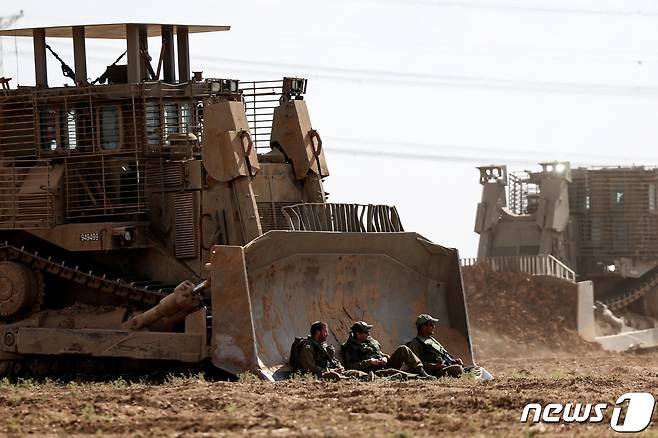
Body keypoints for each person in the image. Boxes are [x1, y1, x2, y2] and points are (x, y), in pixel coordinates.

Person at [341, 321, 436, 380]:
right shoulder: (349, 347)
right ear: (358, 334)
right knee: (394, 373)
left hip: (384, 364)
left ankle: (421, 372)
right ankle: (418, 377)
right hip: (374, 371)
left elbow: (377, 352)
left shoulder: (369, 341)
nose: (368, 334)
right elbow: (351, 367)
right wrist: (370, 362)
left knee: (403, 349)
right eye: (365, 332)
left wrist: (385, 357)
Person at [295, 321, 373, 381]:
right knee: (333, 376)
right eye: (325, 331)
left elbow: (333, 360)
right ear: (318, 332)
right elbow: (310, 367)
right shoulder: (308, 346)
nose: (327, 334)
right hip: (319, 374)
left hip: (330, 370)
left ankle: (366, 377)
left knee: (352, 372)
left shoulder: (323, 346)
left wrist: (339, 367)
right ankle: (348, 380)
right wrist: (329, 370)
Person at [406, 314, 465, 378]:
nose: (433, 326)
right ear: (424, 327)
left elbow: (444, 355)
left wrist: (454, 361)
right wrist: (434, 366)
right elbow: (414, 365)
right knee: (457, 369)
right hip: (433, 373)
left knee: (473, 369)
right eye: (431, 325)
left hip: (445, 367)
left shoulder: (432, 340)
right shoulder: (415, 343)